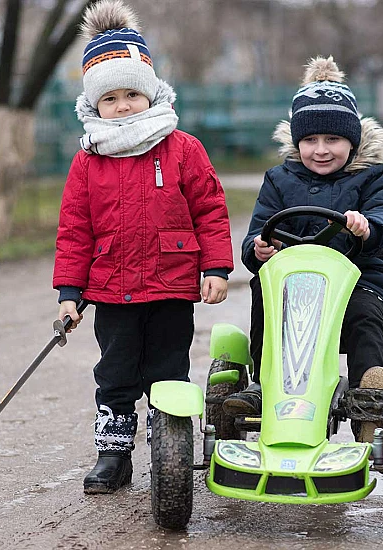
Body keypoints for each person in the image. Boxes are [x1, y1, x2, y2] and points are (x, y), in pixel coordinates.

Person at [53, 0, 233, 495]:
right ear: (94, 106)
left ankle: (168, 449)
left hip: (171, 286)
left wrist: (215, 266)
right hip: (111, 290)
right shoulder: (88, 161)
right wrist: (70, 291)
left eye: (133, 93)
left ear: (151, 93)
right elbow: (74, 230)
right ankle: (114, 454)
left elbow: (210, 210)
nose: (123, 105)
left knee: (168, 371)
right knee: (114, 373)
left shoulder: (182, 148)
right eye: (110, 99)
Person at [223, 56, 383, 444]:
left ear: (353, 140)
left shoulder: (371, 176)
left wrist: (368, 227)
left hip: (357, 277)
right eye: (309, 140)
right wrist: (259, 249)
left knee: (364, 310)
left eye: (332, 140)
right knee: (266, 295)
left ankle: (370, 392)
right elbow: (259, 231)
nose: (320, 150)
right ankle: (264, 384)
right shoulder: (278, 180)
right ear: (296, 142)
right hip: (295, 283)